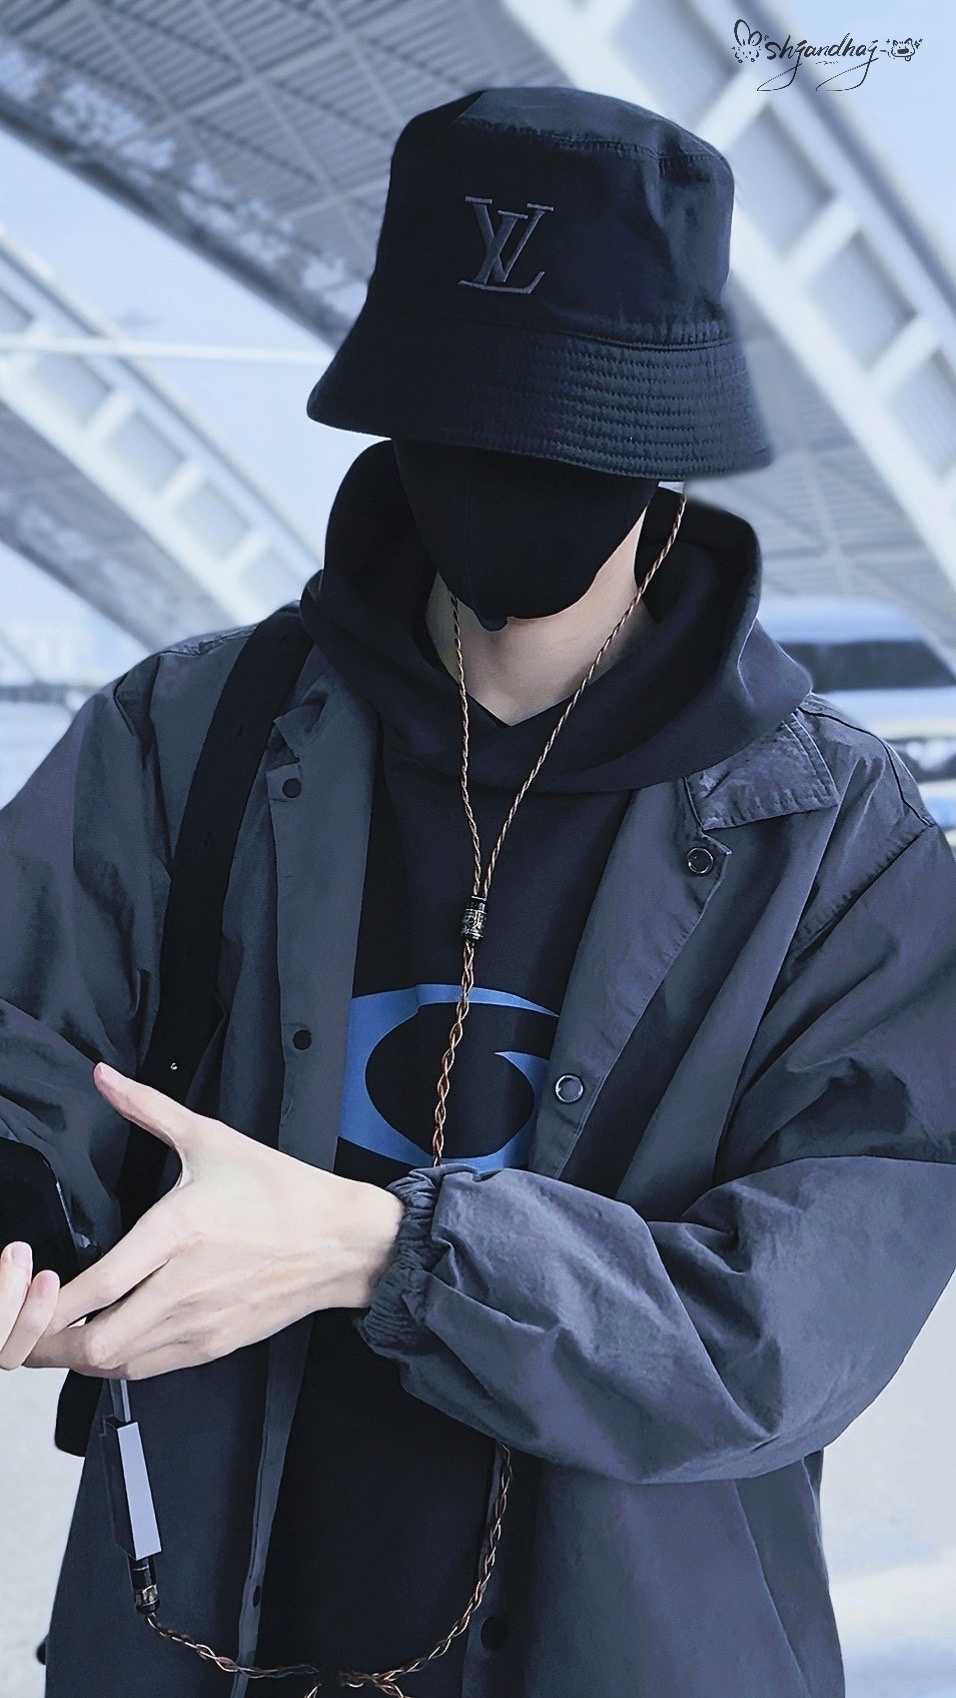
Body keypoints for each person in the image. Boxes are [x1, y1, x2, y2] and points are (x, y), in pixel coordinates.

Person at [1, 83, 955, 1698]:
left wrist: (383, 1249)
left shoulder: (837, 843)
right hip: (197, 1638)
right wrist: (21, 1204)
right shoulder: (188, 734)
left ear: (662, 449)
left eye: (561, 423)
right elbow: (25, 1034)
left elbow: (793, 1323)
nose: (509, 470)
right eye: (468, 415)